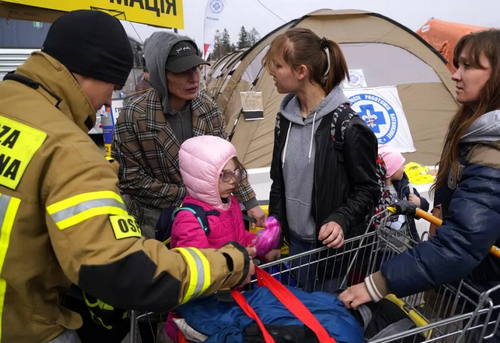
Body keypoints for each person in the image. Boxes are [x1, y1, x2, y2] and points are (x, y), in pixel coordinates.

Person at [0, 10, 254, 343]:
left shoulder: (11, 106)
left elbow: (229, 161)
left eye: (196, 69)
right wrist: (229, 261)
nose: (108, 101)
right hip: (28, 324)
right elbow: (127, 269)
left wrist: (244, 201)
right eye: (113, 86)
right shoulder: (75, 150)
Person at [340, 29, 500, 341]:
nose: (456, 75)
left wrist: (377, 284)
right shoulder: (472, 130)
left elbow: (462, 243)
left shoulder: (493, 149)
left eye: (468, 66)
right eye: (457, 64)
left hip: (488, 296)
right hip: (471, 286)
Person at [112, 31, 265, 239]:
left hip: (207, 220)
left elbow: (228, 161)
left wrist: (250, 202)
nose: (193, 78)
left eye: (195, 68)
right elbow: (130, 180)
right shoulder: (134, 116)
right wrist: (190, 193)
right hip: (156, 223)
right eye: (182, 71)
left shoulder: (206, 108)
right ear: (160, 74)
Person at [263, 28, 380, 291]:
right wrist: (275, 234)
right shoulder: (284, 120)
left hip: (330, 251)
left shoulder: (348, 126)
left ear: (301, 71)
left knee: (323, 319)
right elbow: (277, 182)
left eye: (278, 65)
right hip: (295, 245)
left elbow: (369, 189)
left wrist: (340, 219)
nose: (271, 72)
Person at [171, 135, 257, 250]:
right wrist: (243, 257)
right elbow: (202, 264)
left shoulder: (231, 203)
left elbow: (238, 236)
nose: (233, 180)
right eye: (225, 175)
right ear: (203, 178)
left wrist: (259, 241)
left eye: (235, 173)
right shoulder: (189, 220)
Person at [378, 145, 430, 242]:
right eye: (400, 165)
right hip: (383, 249)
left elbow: (423, 211)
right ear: (390, 170)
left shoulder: (406, 188)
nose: (404, 167)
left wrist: (420, 203)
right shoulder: (376, 192)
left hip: (407, 245)